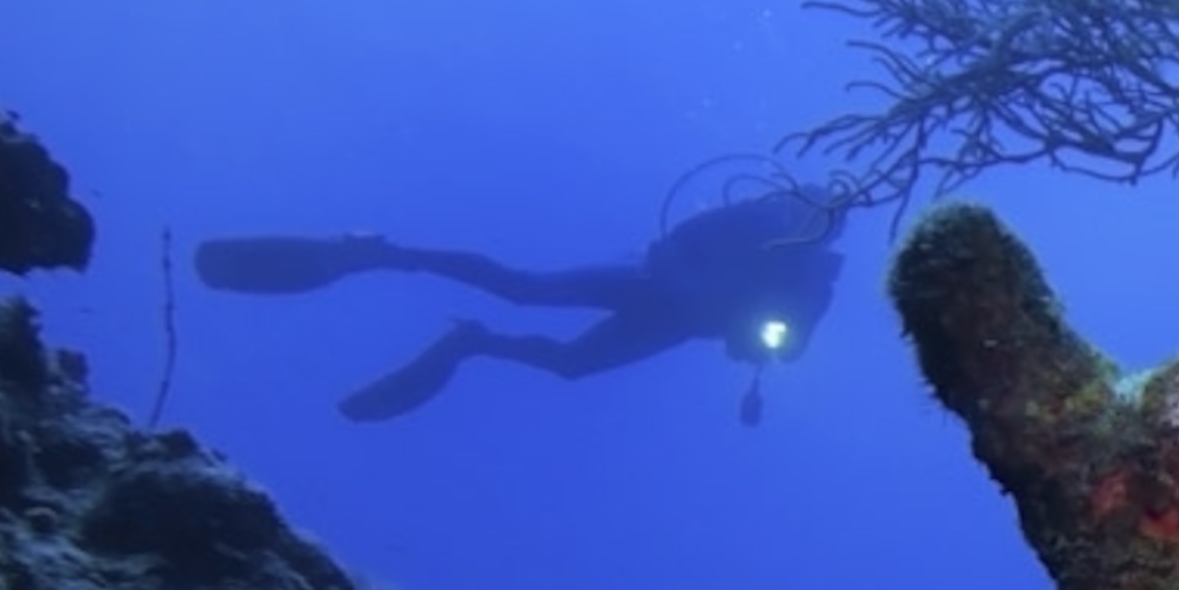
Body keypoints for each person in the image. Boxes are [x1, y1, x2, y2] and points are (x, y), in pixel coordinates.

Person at [194, 175, 849, 423]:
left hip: (675, 325)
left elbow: (791, 349)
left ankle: (472, 342)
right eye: (810, 208)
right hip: (646, 284)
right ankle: (382, 252)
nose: (810, 222)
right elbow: (681, 235)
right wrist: (679, 275)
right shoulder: (756, 219)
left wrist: (770, 339)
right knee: (524, 287)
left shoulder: (815, 280)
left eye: (824, 219)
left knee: (569, 366)